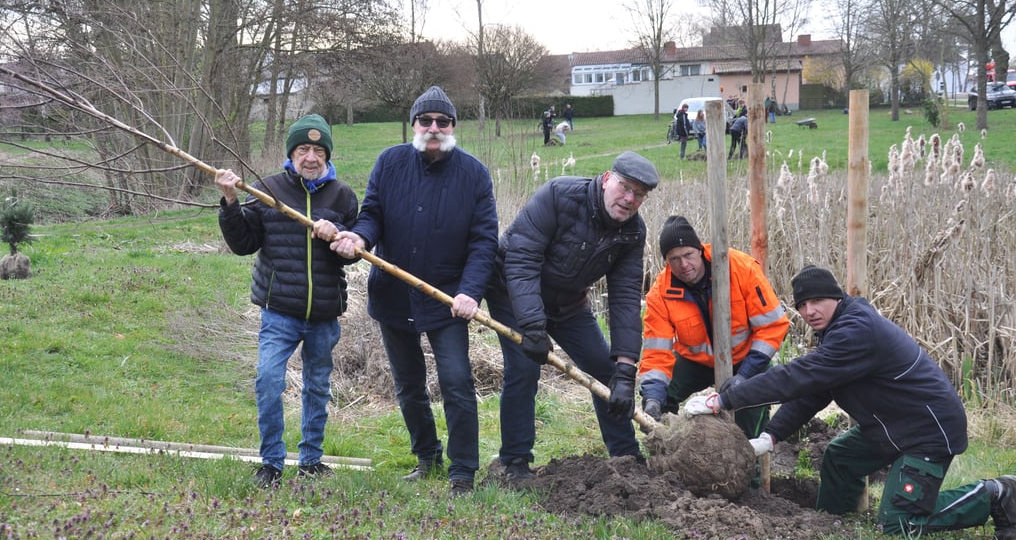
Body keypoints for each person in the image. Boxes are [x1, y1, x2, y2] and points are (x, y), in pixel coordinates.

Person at [685, 265, 1016, 540]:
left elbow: (798, 377)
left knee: (901, 523)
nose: (808, 311)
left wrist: (724, 399)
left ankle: (997, 493)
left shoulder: (856, 331)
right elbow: (815, 391)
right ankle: (833, 527)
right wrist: (771, 436)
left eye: (817, 300)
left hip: (927, 432)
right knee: (841, 458)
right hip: (892, 427)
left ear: (837, 297)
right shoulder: (838, 331)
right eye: (801, 305)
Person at [331, 86, 498, 497]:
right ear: (414, 125)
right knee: (408, 384)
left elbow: (484, 241)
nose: (434, 128)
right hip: (394, 294)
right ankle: (427, 458)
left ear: (453, 127)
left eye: (442, 122)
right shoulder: (389, 163)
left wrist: (471, 292)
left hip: (448, 301)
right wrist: (360, 240)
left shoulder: (474, 174)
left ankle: (462, 471)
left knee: (457, 382)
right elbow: (372, 215)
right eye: (426, 121)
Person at [485, 152, 660, 481]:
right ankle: (515, 463)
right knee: (524, 367)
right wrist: (533, 326)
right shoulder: (559, 196)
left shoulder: (632, 233)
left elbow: (624, 299)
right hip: (512, 290)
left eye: (639, 194)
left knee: (605, 371)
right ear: (608, 178)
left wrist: (625, 371)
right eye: (624, 187)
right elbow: (521, 259)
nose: (628, 199)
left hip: (568, 304)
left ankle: (626, 457)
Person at [216, 113, 359, 489]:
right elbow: (242, 244)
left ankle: (311, 460)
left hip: (325, 313)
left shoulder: (342, 196)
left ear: (327, 154)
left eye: (317, 150)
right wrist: (230, 201)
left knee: (317, 386)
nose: (310, 157)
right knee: (268, 380)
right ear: (291, 154)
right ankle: (272, 464)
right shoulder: (268, 190)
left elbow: (357, 250)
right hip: (279, 311)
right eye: (302, 149)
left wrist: (341, 237)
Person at [638, 216, 789, 440]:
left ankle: (751, 471)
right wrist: (651, 398)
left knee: (751, 410)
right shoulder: (660, 292)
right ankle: (671, 451)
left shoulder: (740, 268)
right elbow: (656, 352)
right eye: (675, 259)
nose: (684, 265)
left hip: (747, 359)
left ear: (700, 249)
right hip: (696, 361)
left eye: (688, 255)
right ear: (666, 262)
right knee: (661, 397)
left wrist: (746, 374)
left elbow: (772, 327)